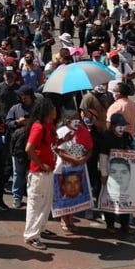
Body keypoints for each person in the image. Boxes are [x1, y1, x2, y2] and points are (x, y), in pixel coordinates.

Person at [22, 98, 58, 250]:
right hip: (38, 172)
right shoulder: (38, 127)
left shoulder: (50, 126)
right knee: (36, 204)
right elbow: (29, 148)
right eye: (53, 108)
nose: (56, 111)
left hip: (48, 170)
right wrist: (41, 163)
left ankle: (41, 228)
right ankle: (31, 235)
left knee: (46, 202)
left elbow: (50, 144)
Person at [55, 112, 93, 233]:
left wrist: (84, 158)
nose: (77, 122)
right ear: (67, 121)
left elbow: (90, 147)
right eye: (74, 119)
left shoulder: (84, 131)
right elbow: (59, 151)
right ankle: (64, 220)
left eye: (78, 119)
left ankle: (70, 219)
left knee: (75, 194)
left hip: (78, 169)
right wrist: (74, 160)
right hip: (64, 168)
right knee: (64, 194)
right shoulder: (61, 132)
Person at [100, 113, 135, 234]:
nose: (122, 128)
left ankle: (125, 225)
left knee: (125, 198)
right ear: (113, 126)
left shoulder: (127, 137)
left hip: (124, 174)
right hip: (110, 174)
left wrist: (130, 151)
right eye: (119, 125)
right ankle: (110, 224)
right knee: (110, 198)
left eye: (123, 125)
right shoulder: (106, 137)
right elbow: (103, 157)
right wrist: (104, 174)